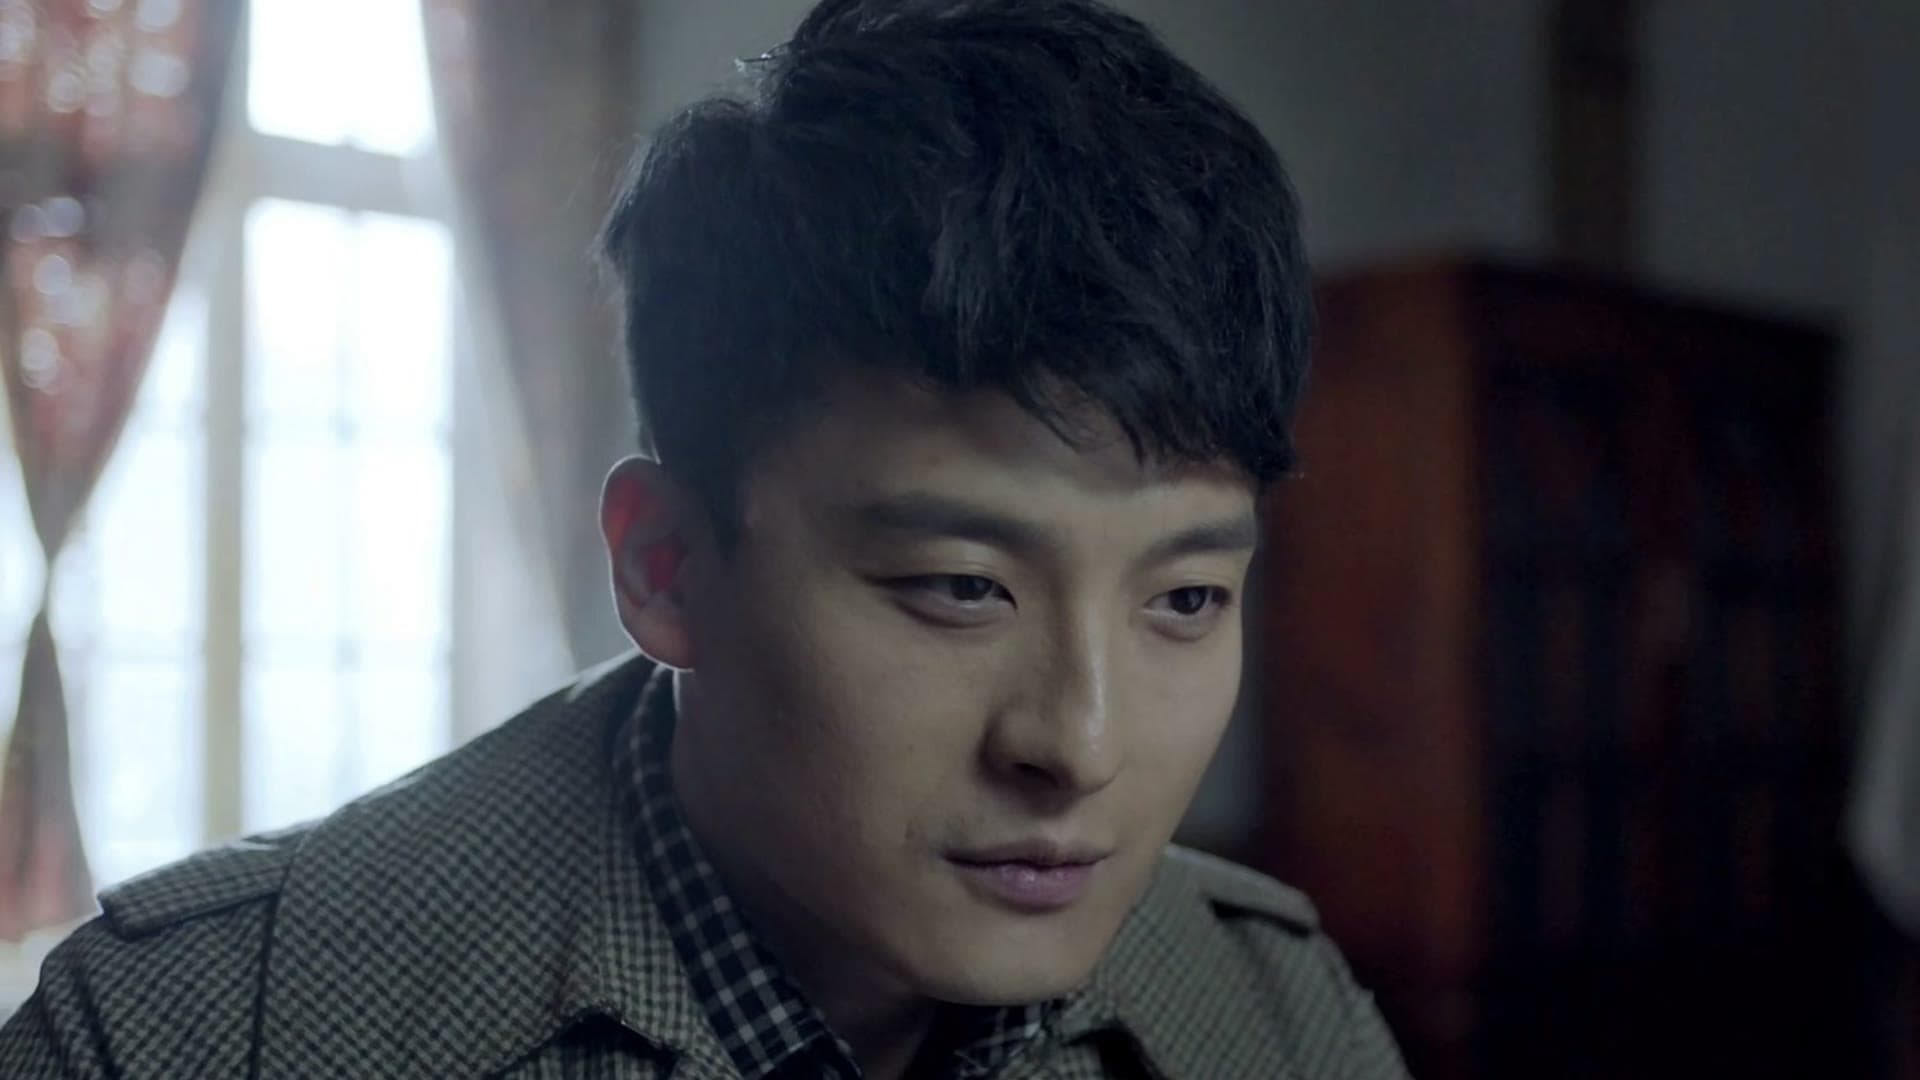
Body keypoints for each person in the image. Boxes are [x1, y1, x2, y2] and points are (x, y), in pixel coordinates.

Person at [0, 0, 1408, 1076]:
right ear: (663, 566)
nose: (1080, 746)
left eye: (1185, 600)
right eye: (963, 587)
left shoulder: (1279, 1020)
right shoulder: (185, 1035)